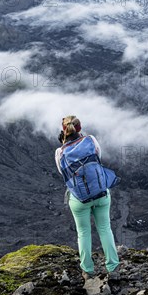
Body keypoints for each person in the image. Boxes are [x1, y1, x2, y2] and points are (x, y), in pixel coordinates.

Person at [55, 115, 120, 281]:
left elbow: (63, 173)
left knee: (83, 233)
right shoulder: (91, 140)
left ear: (64, 131)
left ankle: (88, 270)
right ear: (79, 128)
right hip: (100, 192)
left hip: (79, 199)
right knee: (105, 229)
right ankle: (113, 267)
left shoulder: (60, 152)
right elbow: (98, 158)